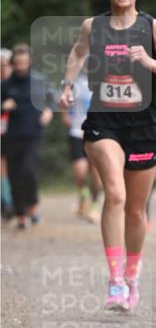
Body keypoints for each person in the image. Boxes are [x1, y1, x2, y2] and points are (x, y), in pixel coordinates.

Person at [58, 0, 156, 311]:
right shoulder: (93, 27)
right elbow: (78, 53)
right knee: (114, 194)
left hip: (144, 125)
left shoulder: (153, 28)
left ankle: (131, 274)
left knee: (135, 208)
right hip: (104, 121)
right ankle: (114, 280)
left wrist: (148, 62)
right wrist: (68, 85)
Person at [1, 44, 54, 230]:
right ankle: (21, 213)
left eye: (24, 62)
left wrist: (49, 110)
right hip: (11, 136)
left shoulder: (40, 80)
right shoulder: (5, 85)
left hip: (33, 134)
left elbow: (51, 97)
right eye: (18, 63)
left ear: (30, 61)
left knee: (28, 171)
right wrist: (3, 106)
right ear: (13, 63)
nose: (21, 66)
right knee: (14, 176)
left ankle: (32, 204)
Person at [62, 68, 101, 222]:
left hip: (97, 132)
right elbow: (63, 100)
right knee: (80, 171)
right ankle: (84, 196)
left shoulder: (101, 78)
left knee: (96, 172)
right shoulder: (72, 80)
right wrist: (64, 115)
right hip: (76, 131)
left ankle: (95, 206)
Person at [1, 47, 14, 219]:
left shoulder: (19, 83)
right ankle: (7, 202)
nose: (4, 69)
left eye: (6, 65)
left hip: (17, 132)